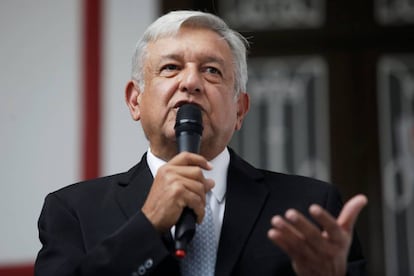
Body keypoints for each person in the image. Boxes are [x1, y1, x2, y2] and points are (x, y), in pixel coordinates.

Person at [35, 10, 368, 276]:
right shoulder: (73, 212)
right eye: (170, 67)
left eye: (211, 71)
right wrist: (147, 226)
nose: (191, 82)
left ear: (240, 109)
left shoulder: (310, 208)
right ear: (135, 100)